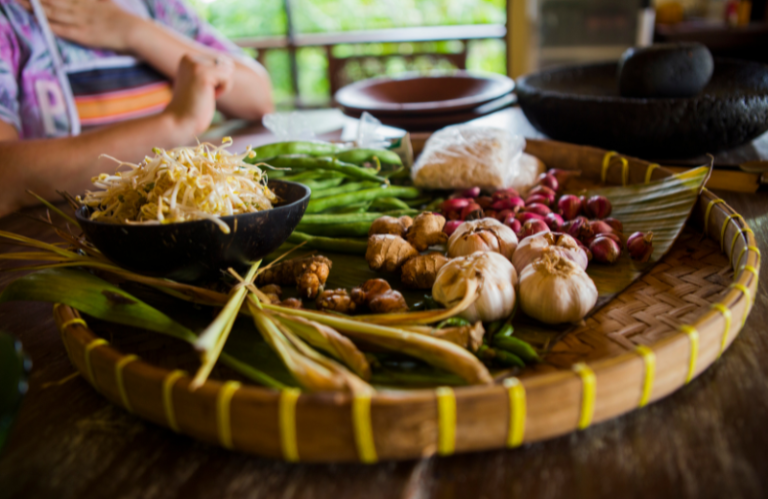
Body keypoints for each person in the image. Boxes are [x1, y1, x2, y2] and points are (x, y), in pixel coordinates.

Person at [0, 0, 274, 216]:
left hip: (182, 218)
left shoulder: (155, 7)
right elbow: (6, 177)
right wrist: (176, 124)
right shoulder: (10, 18)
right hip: (64, 241)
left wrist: (134, 32)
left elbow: (258, 96)